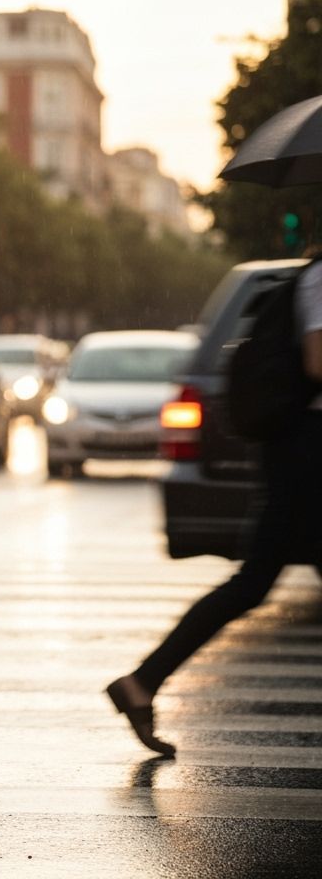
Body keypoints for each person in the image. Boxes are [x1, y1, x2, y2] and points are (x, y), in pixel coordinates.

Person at [107, 254, 322, 756]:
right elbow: (317, 361)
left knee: (252, 582)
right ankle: (143, 680)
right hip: (307, 452)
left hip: (304, 451)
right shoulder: (321, 277)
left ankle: (143, 681)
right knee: (251, 582)